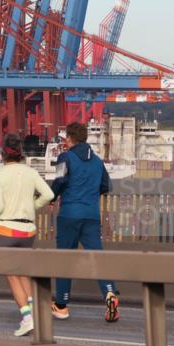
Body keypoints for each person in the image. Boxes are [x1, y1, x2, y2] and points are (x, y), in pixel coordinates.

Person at [51, 122, 119, 322]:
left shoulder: (65, 157)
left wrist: (50, 197)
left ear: (69, 138)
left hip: (69, 214)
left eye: (65, 138)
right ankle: (110, 294)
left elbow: (59, 181)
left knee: (65, 258)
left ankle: (62, 305)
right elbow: (106, 186)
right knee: (97, 257)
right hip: (91, 215)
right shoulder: (98, 161)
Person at [0, 133, 55, 337]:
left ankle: (27, 318)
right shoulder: (31, 172)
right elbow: (49, 195)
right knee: (24, 272)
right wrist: (32, 207)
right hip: (28, 230)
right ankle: (35, 311)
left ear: (2, 154)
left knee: (12, 275)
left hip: (6, 230)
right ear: (20, 153)